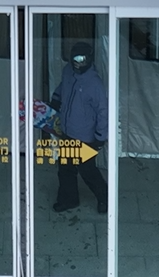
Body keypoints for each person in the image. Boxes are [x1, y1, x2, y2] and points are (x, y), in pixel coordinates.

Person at [49, 41, 108, 214]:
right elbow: (63, 86)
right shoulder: (67, 71)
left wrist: (100, 137)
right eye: (74, 58)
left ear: (89, 59)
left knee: (87, 171)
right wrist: (56, 98)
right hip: (67, 131)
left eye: (82, 59)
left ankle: (105, 198)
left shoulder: (94, 84)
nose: (77, 62)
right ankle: (69, 199)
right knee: (65, 168)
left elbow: (103, 112)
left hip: (85, 136)